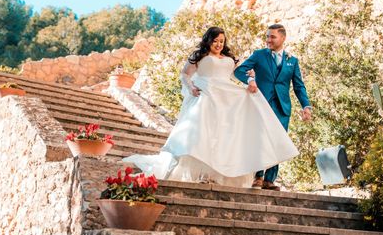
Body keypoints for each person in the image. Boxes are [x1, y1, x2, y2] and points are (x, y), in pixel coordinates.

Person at [122, 26, 298, 188]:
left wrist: (251, 80)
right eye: (215, 41)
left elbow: (240, 74)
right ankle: (202, 174)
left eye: (222, 41)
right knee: (203, 133)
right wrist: (191, 87)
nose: (219, 45)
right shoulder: (200, 56)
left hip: (225, 97)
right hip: (205, 94)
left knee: (224, 135)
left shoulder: (229, 59)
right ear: (209, 41)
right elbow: (185, 74)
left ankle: (219, 174)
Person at [234, 24, 312, 191]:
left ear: (282, 38)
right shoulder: (259, 55)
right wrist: (250, 80)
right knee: (261, 139)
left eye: (272, 37)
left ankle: (270, 180)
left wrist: (306, 106)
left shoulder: (292, 60)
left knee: (278, 142)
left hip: (282, 108)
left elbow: (299, 86)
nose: (268, 40)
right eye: (267, 36)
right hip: (262, 104)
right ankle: (258, 176)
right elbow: (240, 70)